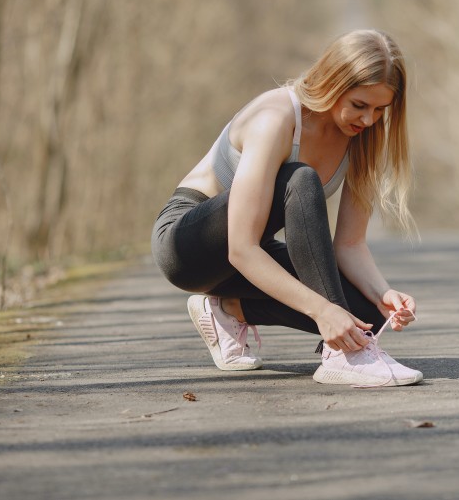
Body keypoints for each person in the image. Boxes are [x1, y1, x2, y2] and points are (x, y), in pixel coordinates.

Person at [151, 29, 421, 387]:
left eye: (379, 110)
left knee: (366, 316)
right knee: (299, 178)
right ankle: (341, 356)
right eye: (359, 105)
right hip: (189, 245)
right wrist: (324, 311)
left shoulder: (363, 138)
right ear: (332, 82)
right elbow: (241, 248)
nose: (369, 120)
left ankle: (227, 308)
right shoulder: (276, 116)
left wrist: (382, 293)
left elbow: (350, 245)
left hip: (246, 255)